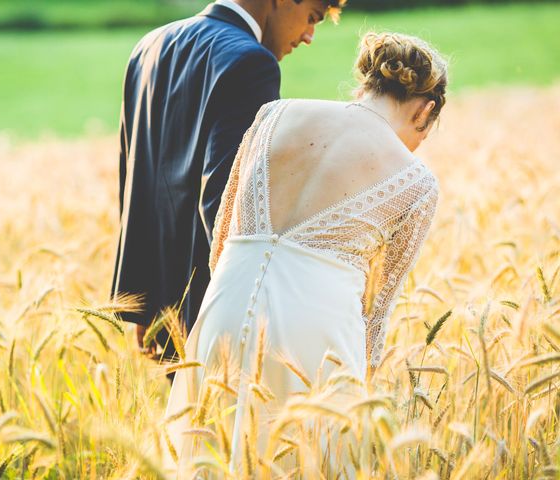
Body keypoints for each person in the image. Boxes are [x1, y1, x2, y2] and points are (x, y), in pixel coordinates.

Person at [161, 31, 448, 477]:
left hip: (226, 308)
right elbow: (376, 307)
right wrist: (363, 393)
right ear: (426, 110)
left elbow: (222, 236)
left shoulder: (273, 115)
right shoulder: (417, 182)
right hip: (318, 332)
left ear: (366, 84)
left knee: (209, 456)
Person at [110, 0, 347, 378]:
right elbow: (229, 201)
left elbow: (136, 175)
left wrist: (144, 300)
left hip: (164, 313)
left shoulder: (150, 46)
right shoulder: (252, 62)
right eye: (312, 18)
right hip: (216, 317)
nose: (308, 36)